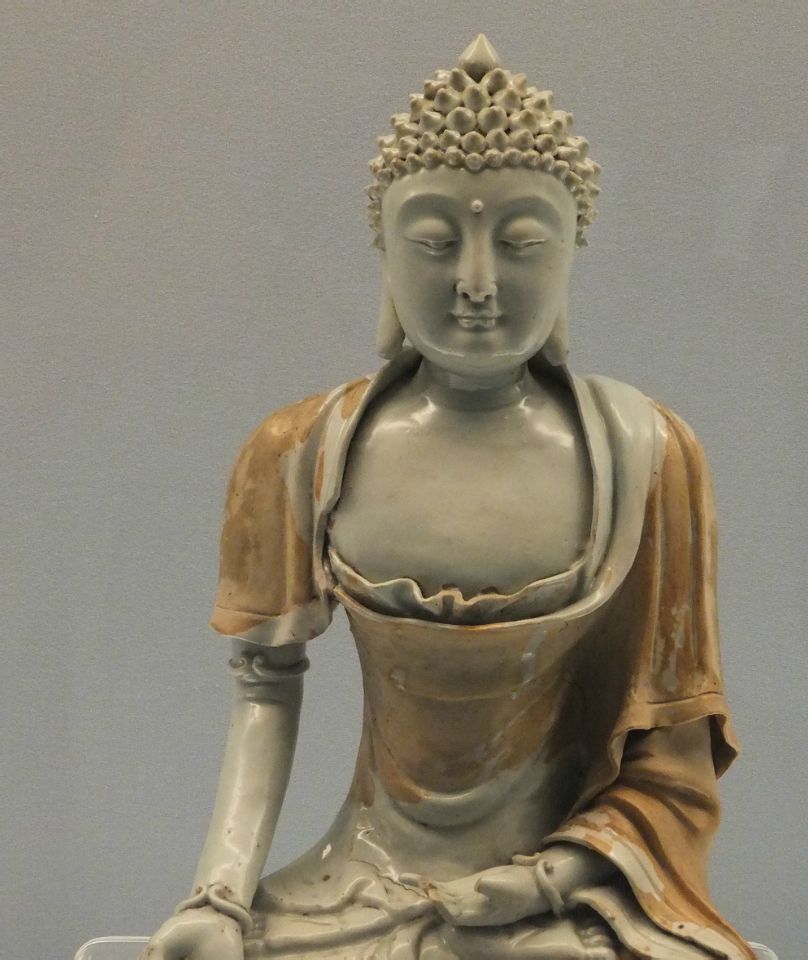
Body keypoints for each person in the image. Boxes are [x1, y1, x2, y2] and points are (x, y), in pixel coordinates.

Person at [142, 35, 756, 960]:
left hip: (563, 890)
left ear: (571, 255)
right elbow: (264, 689)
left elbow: (676, 750)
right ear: (385, 255)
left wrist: (546, 880)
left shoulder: (648, 455)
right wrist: (218, 899)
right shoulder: (300, 450)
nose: (476, 284)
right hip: (354, 882)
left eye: (521, 244)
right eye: (433, 243)